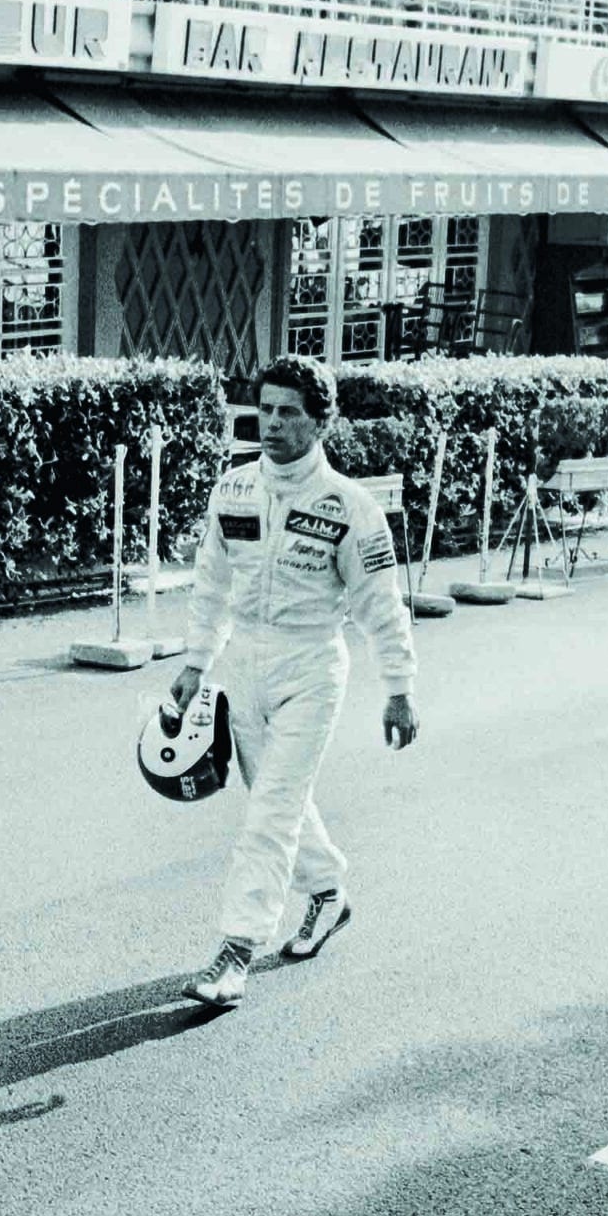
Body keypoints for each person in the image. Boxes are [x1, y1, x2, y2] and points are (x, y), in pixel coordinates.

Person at [171, 357, 419, 1009]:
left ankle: (236, 949)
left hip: (311, 667)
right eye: (265, 408)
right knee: (279, 800)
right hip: (244, 665)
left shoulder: (350, 508)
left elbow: (381, 603)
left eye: (288, 412)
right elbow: (210, 586)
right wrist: (195, 664)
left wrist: (398, 685)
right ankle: (329, 891)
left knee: (269, 813)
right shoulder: (233, 490)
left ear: (320, 421)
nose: (272, 423)